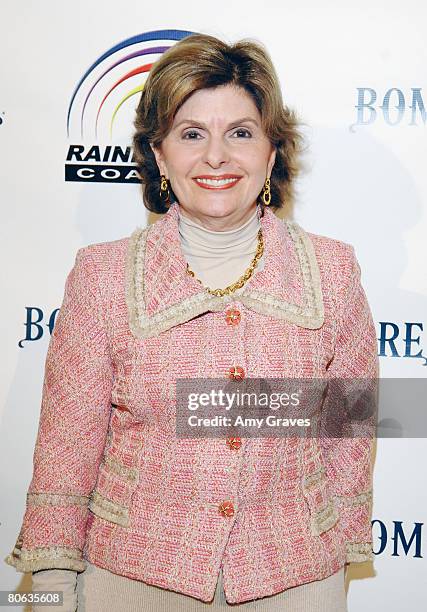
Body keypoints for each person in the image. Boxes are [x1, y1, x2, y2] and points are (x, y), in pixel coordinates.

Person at [5, 33, 379, 611]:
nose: (216, 157)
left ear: (272, 151)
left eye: (241, 132)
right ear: (159, 155)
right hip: (133, 585)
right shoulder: (102, 275)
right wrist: (51, 591)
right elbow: (66, 445)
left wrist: (338, 545)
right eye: (192, 133)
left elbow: (351, 431)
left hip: (294, 583)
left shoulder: (332, 270)